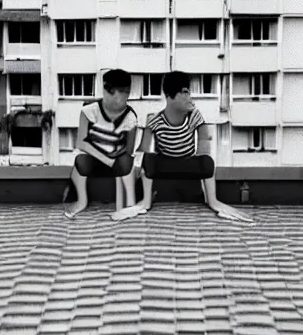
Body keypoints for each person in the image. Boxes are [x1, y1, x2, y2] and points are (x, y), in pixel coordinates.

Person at [112, 71, 253, 223]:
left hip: (188, 162)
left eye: (189, 92)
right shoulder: (155, 120)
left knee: (207, 162)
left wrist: (207, 192)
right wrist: (136, 168)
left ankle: (213, 201)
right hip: (165, 163)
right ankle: (146, 202)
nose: (189, 98)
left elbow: (204, 148)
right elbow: (143, 149)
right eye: (184, 92)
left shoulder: (195, 116)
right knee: (148, 160)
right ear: (170, 96)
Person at [64, 69, 138, 219]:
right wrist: (106, 159)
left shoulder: (130, 117)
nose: (124, 97)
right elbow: (81, 143)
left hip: (117, 160)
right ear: (108, 91)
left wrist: (114, 158)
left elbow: (129, 150)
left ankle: (128, 204)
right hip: (93, 159)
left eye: (126, 92)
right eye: (120, 92)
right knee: (81, 161)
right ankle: (82, 200)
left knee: (126, 163)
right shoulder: (89, 111)